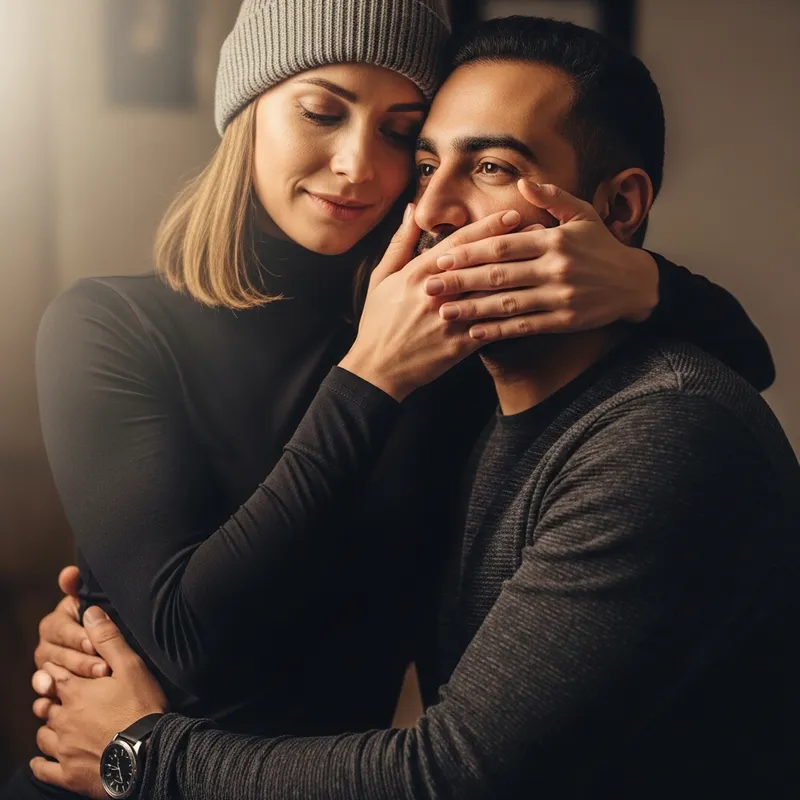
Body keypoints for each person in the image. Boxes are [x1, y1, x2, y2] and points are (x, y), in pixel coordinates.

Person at [14, 9, 786, 800]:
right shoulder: (113, 325)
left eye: (399, 137)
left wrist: (641, 279)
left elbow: (730, 375)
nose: (359, 167)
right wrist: (371, 377)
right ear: (247, 112)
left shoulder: (455, 354)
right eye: (321, 112)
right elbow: (182, 640)